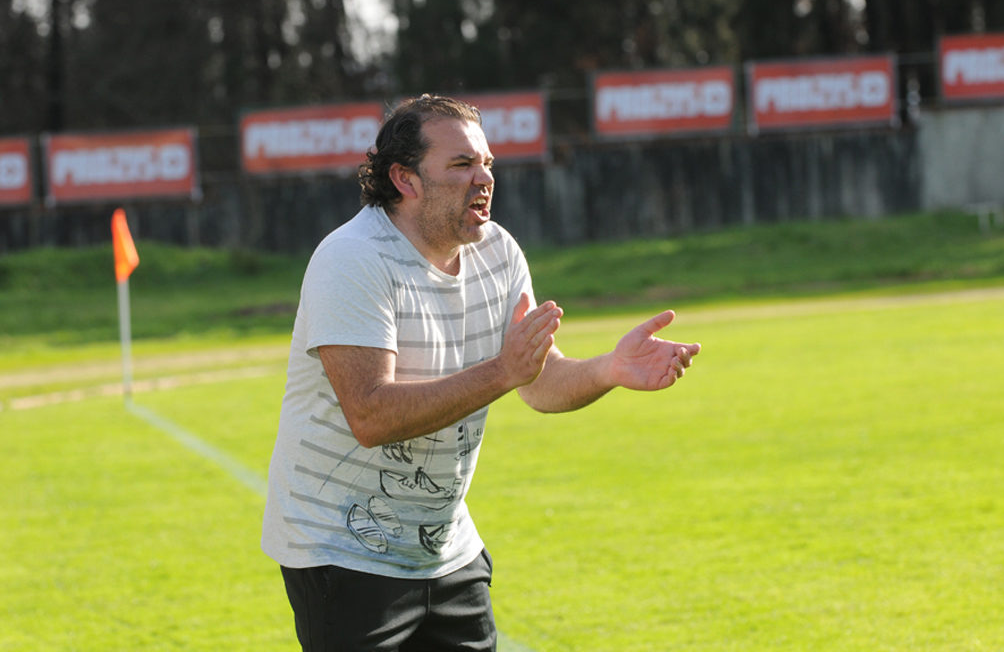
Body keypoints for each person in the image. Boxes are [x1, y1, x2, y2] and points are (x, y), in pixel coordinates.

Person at [261, 93, 701, 651]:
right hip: (343, 553)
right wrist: (501, 372)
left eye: (487, 163)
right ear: (405, 178)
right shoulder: (352, 259)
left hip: (446, 550)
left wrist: (609, 369)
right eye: (462, 164)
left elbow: (537, 381)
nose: (485, 178)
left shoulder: (499, 252)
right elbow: (371, 415)